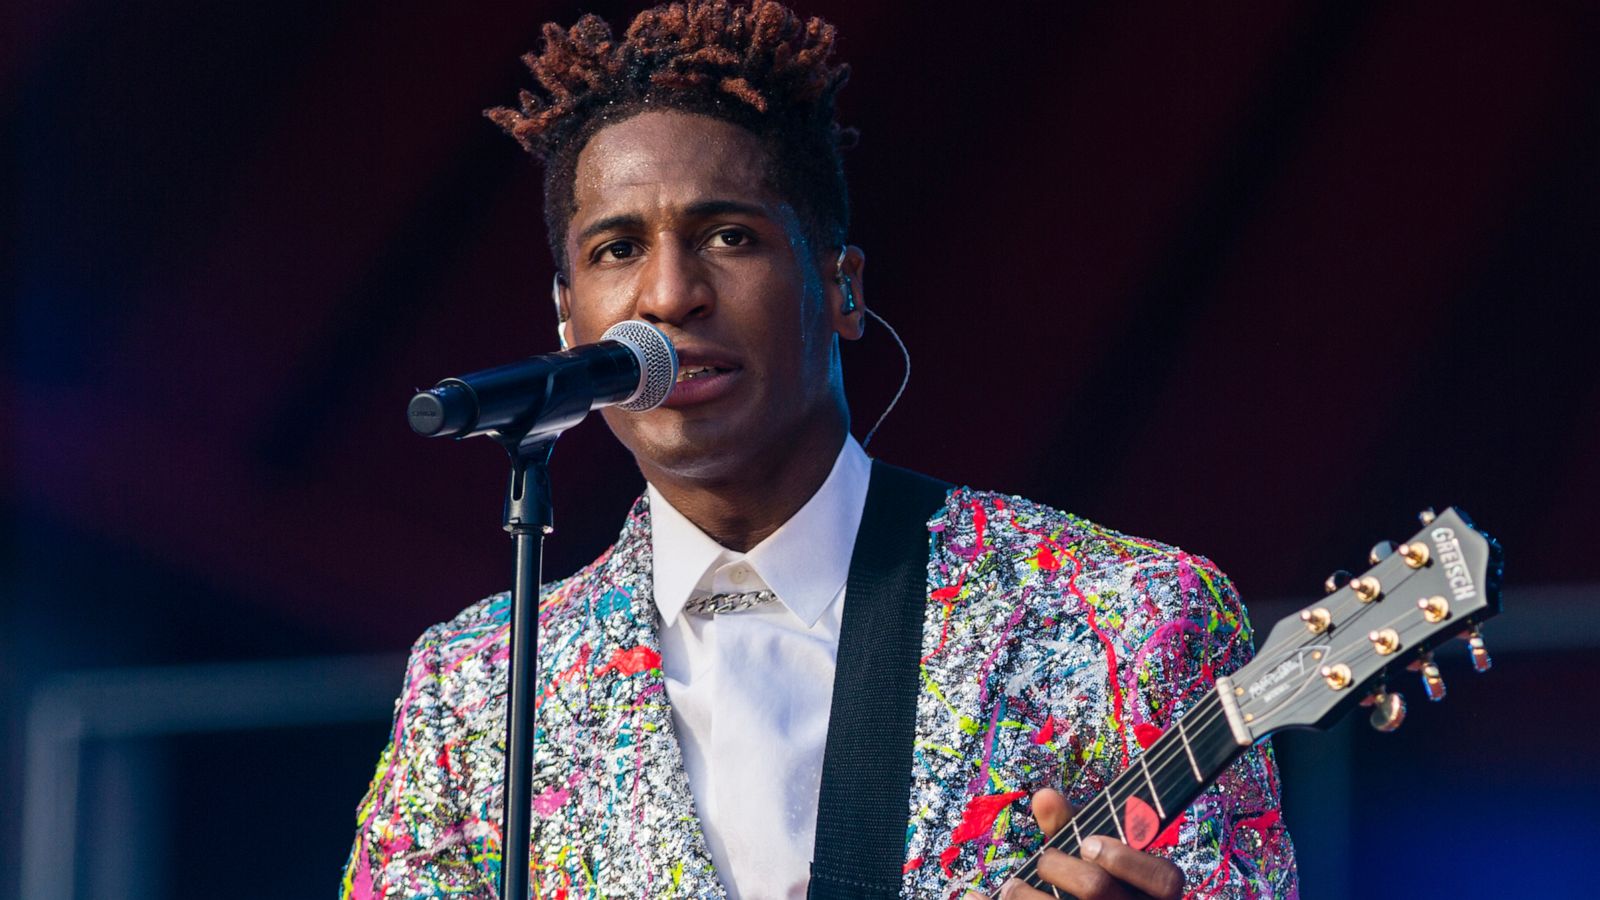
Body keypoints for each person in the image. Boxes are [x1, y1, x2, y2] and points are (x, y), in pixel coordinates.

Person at [342, 2, 1297, 898]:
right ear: (567, 321)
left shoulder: (1123, 620)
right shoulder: (479, 690)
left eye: (728, 235)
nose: (670, 296)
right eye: (618, 249)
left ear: (841, 289)